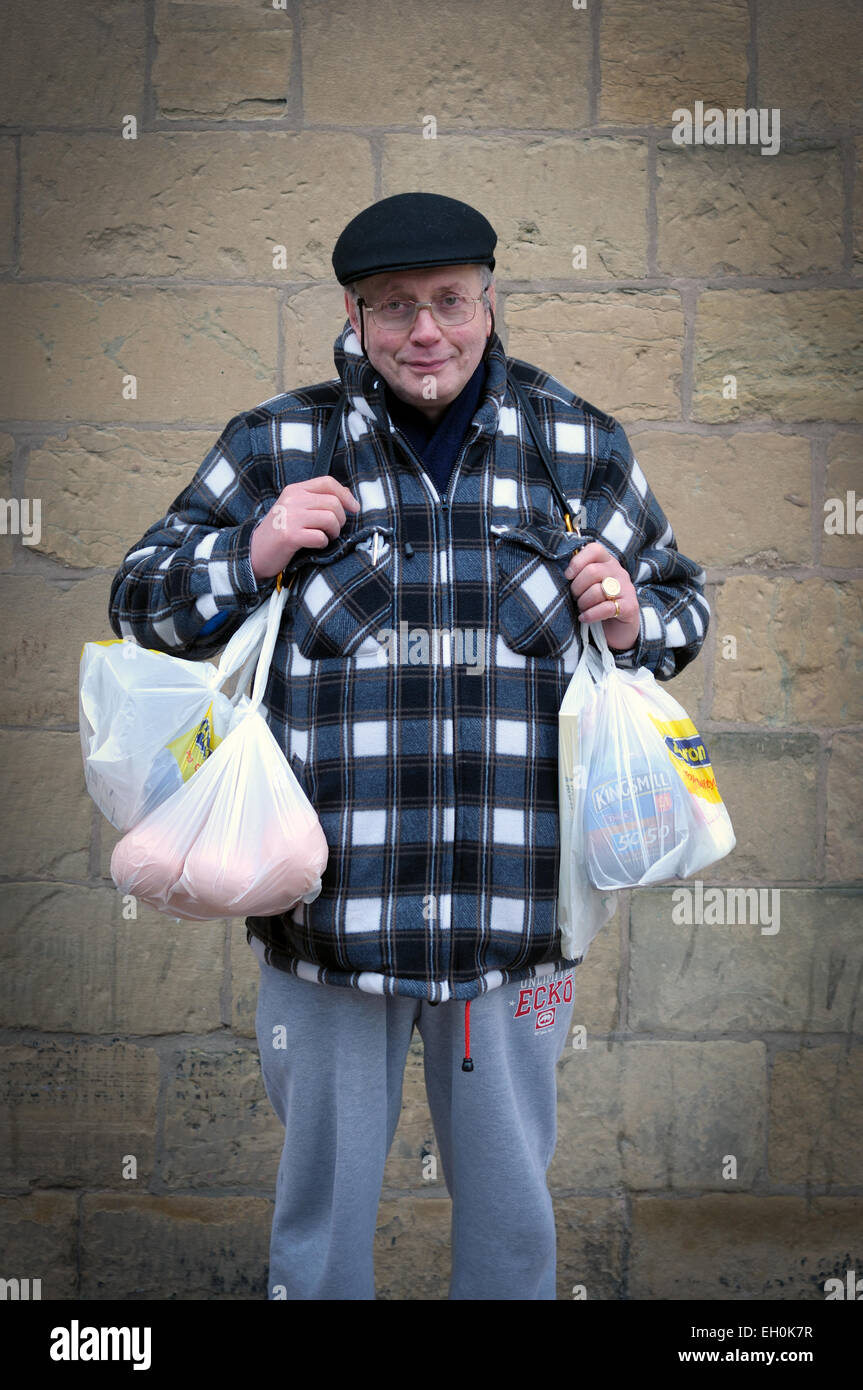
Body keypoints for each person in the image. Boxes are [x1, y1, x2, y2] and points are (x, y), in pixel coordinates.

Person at [109, 191, 708, 1301]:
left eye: (446, 301)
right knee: (320, 1217)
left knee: (512, 1218)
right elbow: (140, 598)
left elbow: (682, 608)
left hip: (518, 919)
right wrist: (250, 550)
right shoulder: (276, 441)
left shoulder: (576, 445)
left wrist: (633, 617)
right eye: (393, 307)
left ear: (487, 302)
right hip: (326, 923)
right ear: (354, 312)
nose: (422, 331)